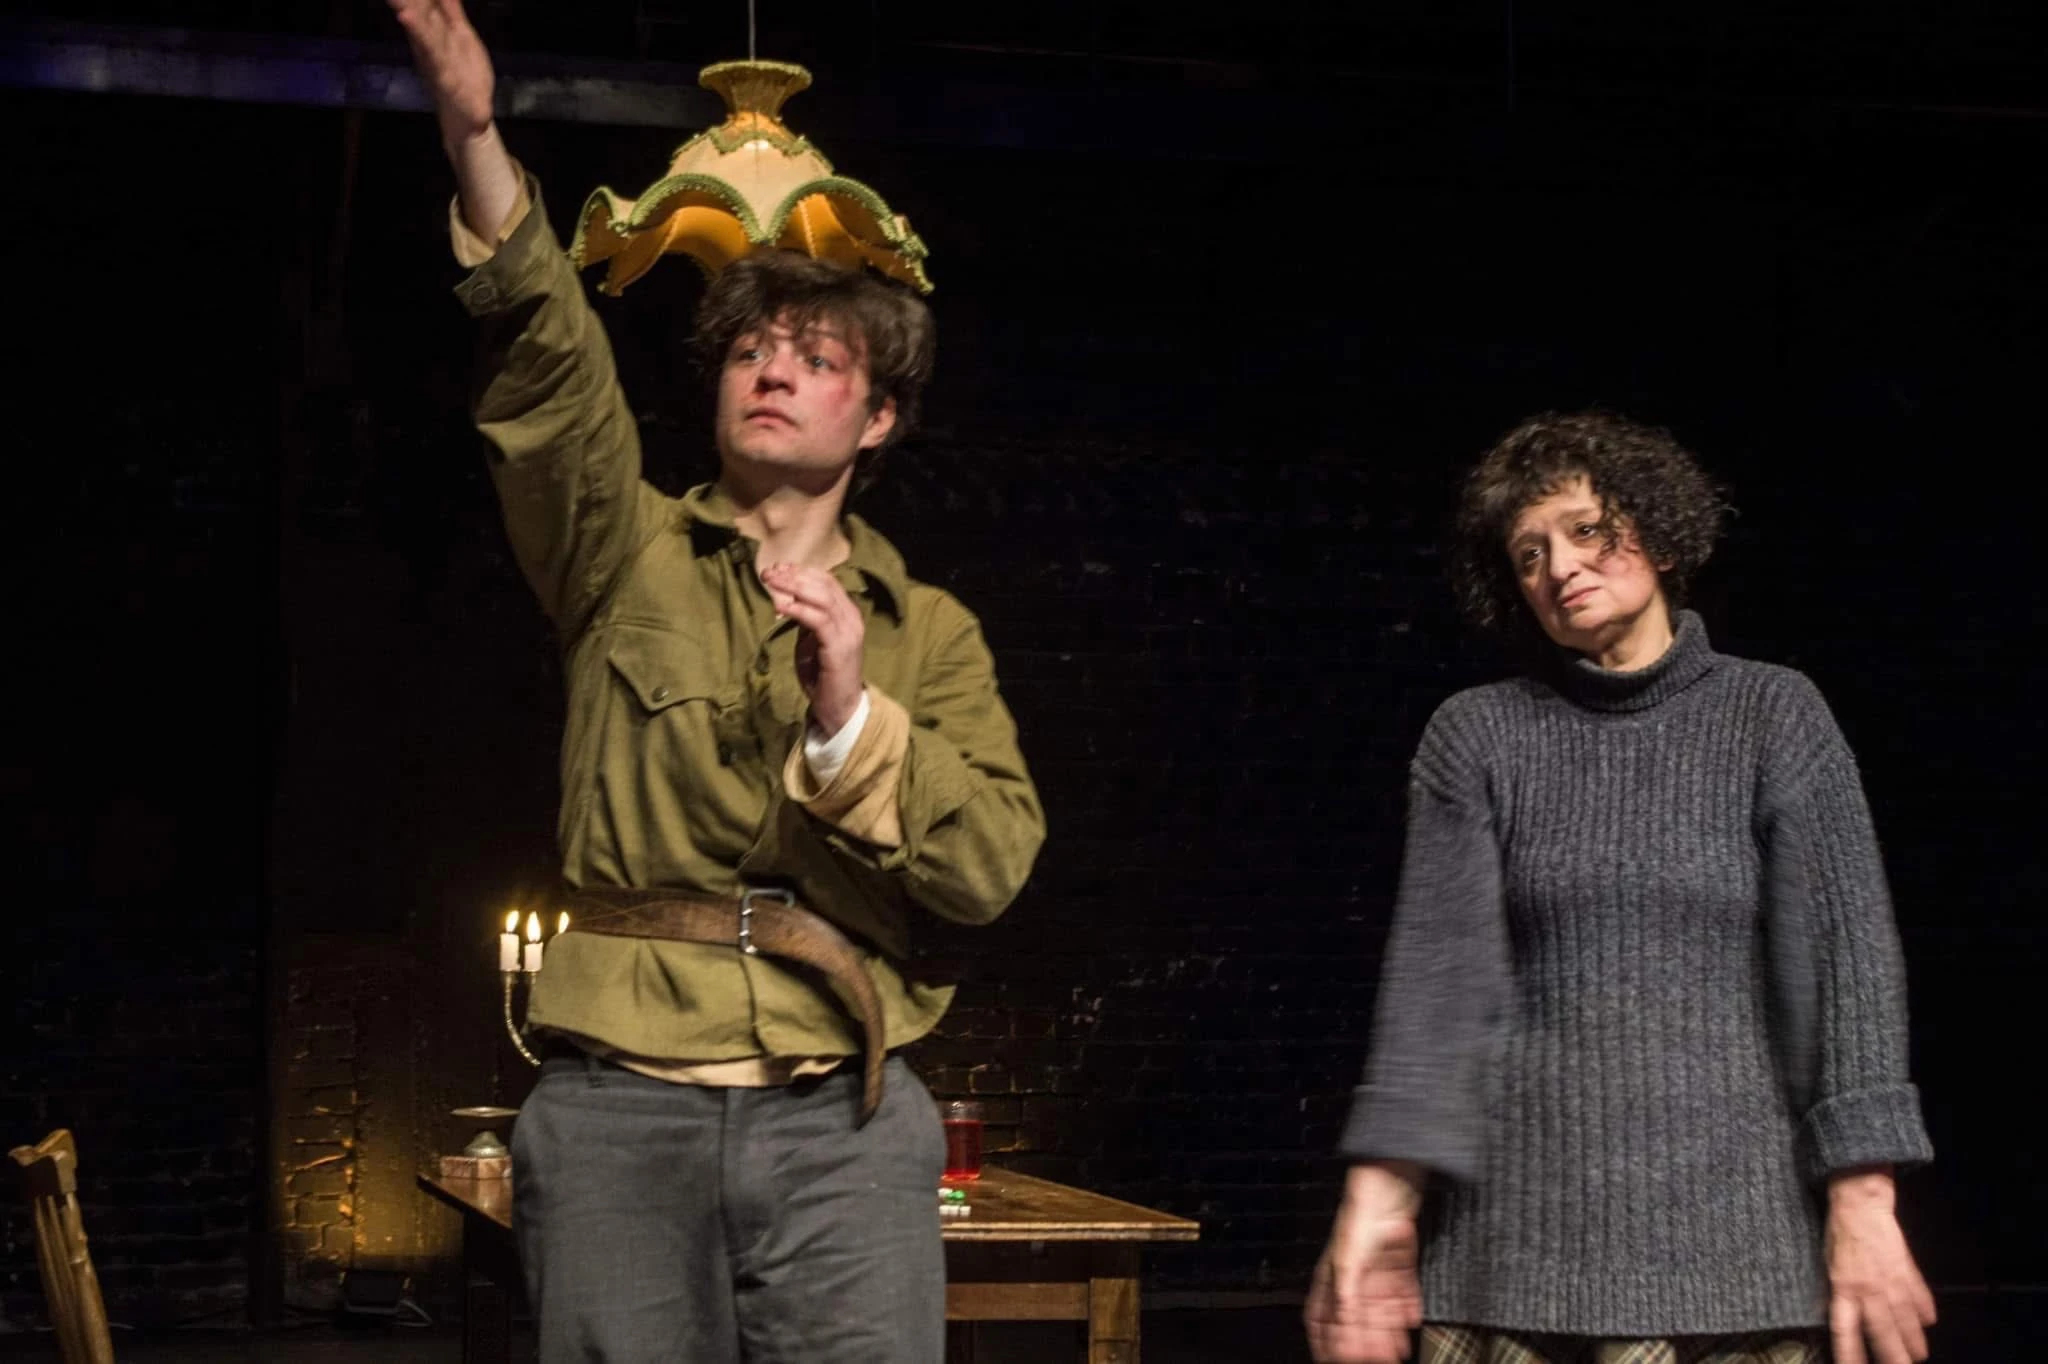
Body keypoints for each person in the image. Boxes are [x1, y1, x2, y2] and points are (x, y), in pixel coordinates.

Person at [388, 2, 1046, 1359]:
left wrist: (850, 713)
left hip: (842, 1111)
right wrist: (472, 134)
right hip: (621, 1110)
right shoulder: (621, 554)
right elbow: (552, 371)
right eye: (750, 353)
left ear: (877, 418)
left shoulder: (929, 632)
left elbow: (989, 868)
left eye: (816, 360)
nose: (771, 373)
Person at [1305, 410, 1936, 1364]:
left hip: (1733, 1255)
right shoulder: (1478, 737)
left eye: (1587, 529)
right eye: (1529, 554)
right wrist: (1377, 1206)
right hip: (1513, 1258)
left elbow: (1846, 972)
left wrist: (1865, 1203)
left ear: (1660, 533)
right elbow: (1439, 988)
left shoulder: (1773, 715)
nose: (1560, 567)